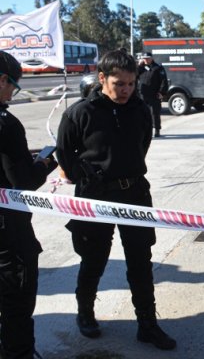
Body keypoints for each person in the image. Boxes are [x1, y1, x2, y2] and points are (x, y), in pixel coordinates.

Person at [56, 50, 176, 350]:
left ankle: (147, 324)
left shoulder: (140, 109)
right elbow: (64, 152)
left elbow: (143, 145)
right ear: (102, 79)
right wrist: (89, 176)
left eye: (131, 84)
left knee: (141, 261)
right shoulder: (81, 112)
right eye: (118, 83)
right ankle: (86, 313)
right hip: (95, 198)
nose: (125, 90)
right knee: (93, 258)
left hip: (135, 194)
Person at [0, 51, 57, 358]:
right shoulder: (6, 123)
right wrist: (45, 163)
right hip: (9, 232)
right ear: (1, 80)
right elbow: (22, 181)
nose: (12, 93)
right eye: (14, 86)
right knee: (17, 302)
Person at [137, 52, 168, 138]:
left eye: (147, 58)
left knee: (154, 113)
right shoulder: (141, 68)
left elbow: (163, 81)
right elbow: (134, 76)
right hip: (142, 94)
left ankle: (157, 130)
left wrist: (161, 92)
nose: (145, 60)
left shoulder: (158, 67)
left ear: (151, 58)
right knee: (142, 114)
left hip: (154, 94)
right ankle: (144, 131)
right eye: (144, 58)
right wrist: (139, 66)